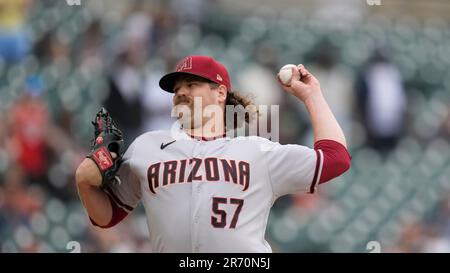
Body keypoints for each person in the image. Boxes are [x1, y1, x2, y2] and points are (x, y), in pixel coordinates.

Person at [75, 55, 351, 252]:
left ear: (220, 93)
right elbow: (108, 216)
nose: (180, 92)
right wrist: (84, 183)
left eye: (191, 84)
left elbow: (336, 159)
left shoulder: (257, 151)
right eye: (176, 88)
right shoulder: (146, 147)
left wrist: (312, 96)